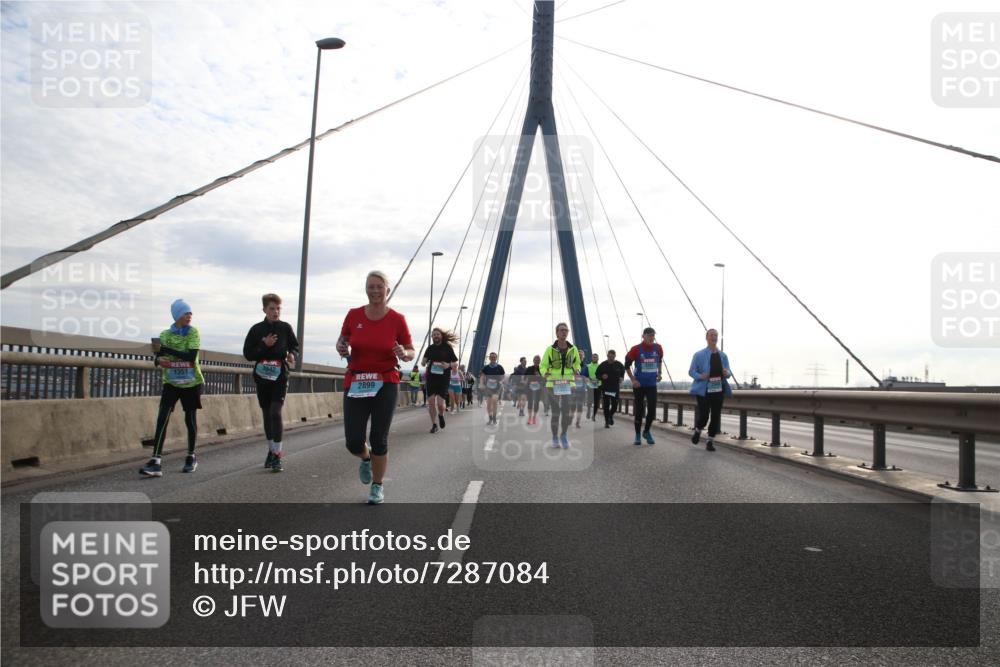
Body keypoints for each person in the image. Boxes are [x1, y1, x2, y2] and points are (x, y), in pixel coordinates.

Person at [336, 271, 415, 505]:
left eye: (380, 287)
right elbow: (342, 340)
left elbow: (410, 350)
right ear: (366, 289)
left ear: (387, 290)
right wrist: (341, 348)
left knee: (379, 437)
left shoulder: (397, 319)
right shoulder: (353, 315)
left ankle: (377, 486)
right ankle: (365, 457)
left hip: (386, 382)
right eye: (371, 286)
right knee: (353, 440)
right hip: (357, 381)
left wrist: (404, 352)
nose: (375, 291)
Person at [141, 299, 204, 477]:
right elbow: (158, 357)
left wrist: (166, 349)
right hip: (171, 382)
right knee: (163, 417)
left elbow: (191, 356)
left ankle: (191, 456)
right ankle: (156, 460)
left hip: (191, 382)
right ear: (177, 315)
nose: (189, 316)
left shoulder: (193, 332)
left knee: (190, 419)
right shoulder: (165, 335)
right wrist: (159, 359)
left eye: (191, 313)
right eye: (186, 313)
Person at [242, 293, 299, 473]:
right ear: (264, 310)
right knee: (267, 414)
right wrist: (264, 345)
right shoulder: (256, 330)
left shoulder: (285, 328)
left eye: (278, 308)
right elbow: (248, 354)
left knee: (276, 412)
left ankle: (277, 455)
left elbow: (294, 346)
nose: (275, 312)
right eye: (272, 309)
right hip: (262, 377)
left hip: (280, 376)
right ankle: (271, 450)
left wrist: (292, 354)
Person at [689, 328, 733, 452]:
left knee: (715, 416)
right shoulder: (699, 355)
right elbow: (691, 371)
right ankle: (698, 430)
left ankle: (710, 441)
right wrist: (700, 376)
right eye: (711, 335)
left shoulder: (723, 356)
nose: (714, 337)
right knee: (704, 415)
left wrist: (726, 373)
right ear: (706, 338)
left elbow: (729, 372)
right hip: (704, 390)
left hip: (718, 389)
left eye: (716, 335)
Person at [539, 322, 582, 448]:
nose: (564, 332)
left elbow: (577, 363)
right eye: (562, 330)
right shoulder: (550, 349)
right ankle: (554, 437)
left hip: (568, 384)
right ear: (557, 333)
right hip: (553, 384)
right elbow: (543, 365)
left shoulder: (573, 349)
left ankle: (563, 434)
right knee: (556, 412)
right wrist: (544, 373)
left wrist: (577, 369)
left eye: (566, 330)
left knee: (566, 411)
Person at [625, 327, 664, 446]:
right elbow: (626, 365)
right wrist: (633, 380)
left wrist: (660, 373)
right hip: (639, 385)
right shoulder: (636, 349)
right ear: (643, 336)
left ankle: (646, 431)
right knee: (640, 410)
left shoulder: (658, 348)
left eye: (653, 335)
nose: (652, 338)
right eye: (649, 335)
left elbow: (660, 361)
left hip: (652, 384)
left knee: (652, 411)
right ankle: (637, 435)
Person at [422, 327, 459, 432]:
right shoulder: (430, 348)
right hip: (431, 378)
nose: (436, 336)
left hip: (443, 378)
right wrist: (425, 363)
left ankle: (441, 415)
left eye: (437, 334)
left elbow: (455, 363)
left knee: (440, 404)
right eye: (434, 335)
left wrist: (448, 365)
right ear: (432, 337)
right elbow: (423, 362)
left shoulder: (447, 347)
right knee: (431, 402)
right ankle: (434, 425)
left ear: (441, 335)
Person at [595, 350, 626, 428]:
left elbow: (623, 372)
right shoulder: (603, 365)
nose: (611, 358)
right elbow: (597, 374)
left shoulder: (619, 364)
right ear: (607, 356)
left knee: (615, 405)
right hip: (605, 388)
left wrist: (622, 378)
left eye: (612, 357)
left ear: (615, 356)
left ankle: (610, 415)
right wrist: (601, 376)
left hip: (615, 388)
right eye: (609, 357)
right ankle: (606, 422)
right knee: (606, 405)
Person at [479, 352, 506, 425]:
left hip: (497, 388)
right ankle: (490, 418)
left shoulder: (500, 367)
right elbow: (482, 376)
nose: (493, 358)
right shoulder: (486, 367)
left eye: (494, 357)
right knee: (488, 405)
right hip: (488, 388)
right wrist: (481, 383)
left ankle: (494, 418)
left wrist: (501, 381)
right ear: (489, 358)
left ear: (496, 358)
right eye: (492, 357)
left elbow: (503, 377)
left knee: (494, 402)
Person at [524, 354, 543, 425]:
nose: (536, 361)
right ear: (533, 361)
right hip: (530, 387)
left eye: (538, 360)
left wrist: (539, 376)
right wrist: (525, 382)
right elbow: (525, 378)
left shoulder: (542, 369)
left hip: (538, 388)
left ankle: (534, 417)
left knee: (536, 402)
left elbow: (544, 379)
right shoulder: (529, 368)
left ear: (540, 361)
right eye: (535, 360)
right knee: (530, 402)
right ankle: (529, 418)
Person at [586, 352, 601, 421]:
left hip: (598, 385)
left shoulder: (600, 366)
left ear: (598, 358)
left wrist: (599, 378)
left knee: (597, 402)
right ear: (591, 358)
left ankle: (594, 415)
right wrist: (589, 378)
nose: (594, 358)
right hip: (590, 385)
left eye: (596, 357)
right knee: (589, 400)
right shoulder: (588, 366)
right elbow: (585, 375)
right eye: (593, 357)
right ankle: (588, 410)